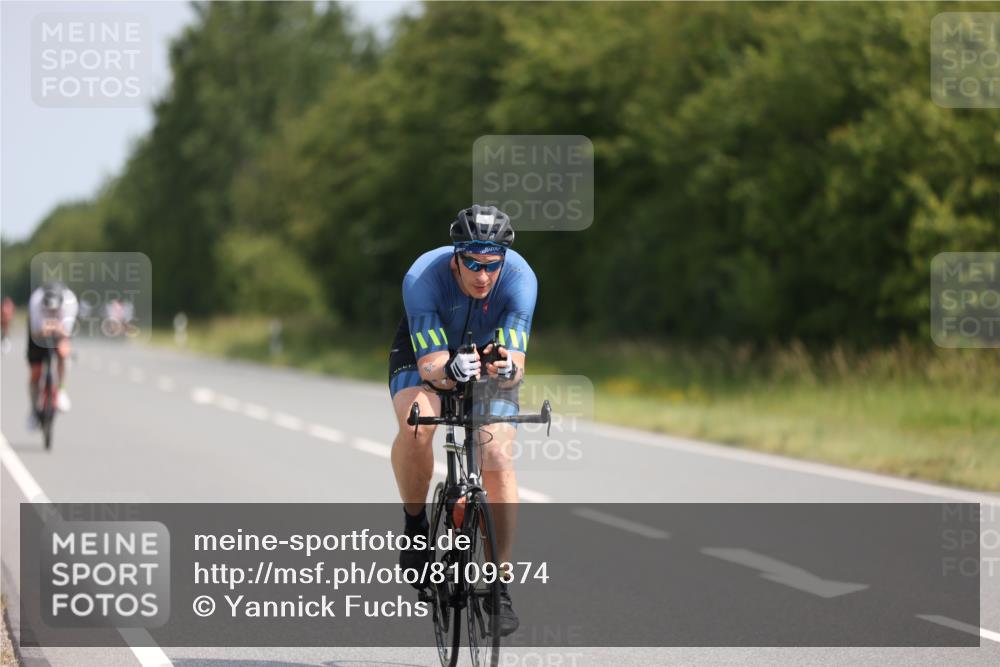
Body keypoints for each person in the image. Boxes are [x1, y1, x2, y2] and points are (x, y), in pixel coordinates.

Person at [388, 204, 537, 636]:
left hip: (485, 358)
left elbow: (518, 358)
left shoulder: (521, 279)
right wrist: (448, 371)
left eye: (492, 265)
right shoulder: (423, 276)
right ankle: (415, 527)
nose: (482, 275)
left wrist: (507, 368)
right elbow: (432, 363)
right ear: (455, 257)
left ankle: (499, 585)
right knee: (418, 424)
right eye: (472, 263)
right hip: (426, 355)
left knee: (496, 454)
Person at [27, 282, 78, 428]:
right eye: (48, 310)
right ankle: (33, 409)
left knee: (63, 352)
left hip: (61, 331)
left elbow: (66, 333)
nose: (52, 313)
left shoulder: (70, 302)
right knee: (36, 372)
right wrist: (42, 331)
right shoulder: (35, 301)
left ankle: (61, 389)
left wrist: (59, 330)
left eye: (55, 311)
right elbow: (34, 332)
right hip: (38, 332)